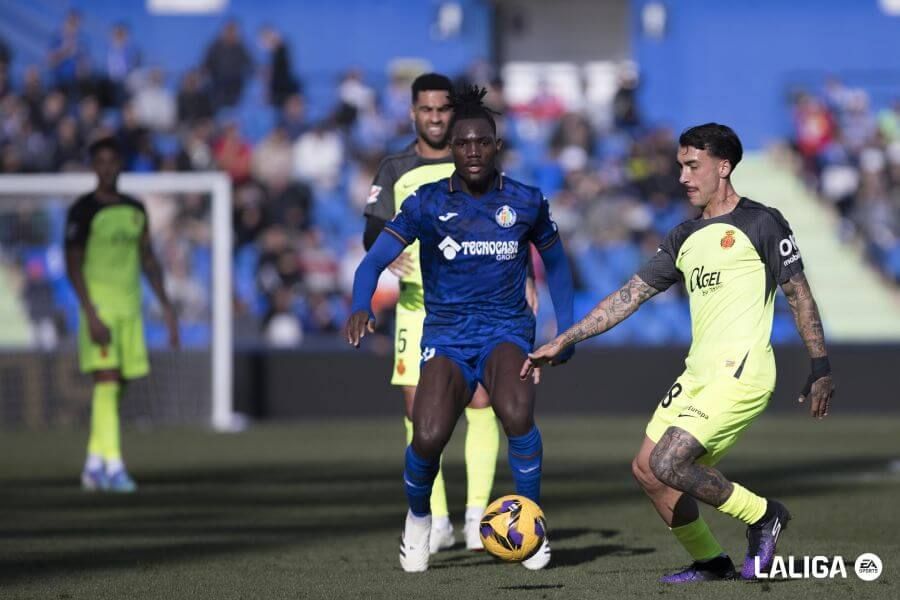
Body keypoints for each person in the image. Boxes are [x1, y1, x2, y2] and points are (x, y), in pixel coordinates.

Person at [524, 123, 835, 582]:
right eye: (680, 167)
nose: (684, 177)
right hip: (699, 374)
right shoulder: (682, 236)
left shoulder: (761, 221)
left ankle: (763, 514)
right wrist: (563, 339)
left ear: (723, 167)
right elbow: (628, 296)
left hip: (742, 371)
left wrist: (820, 364)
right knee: (648, 471)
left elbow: (798, 293)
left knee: (669, 462)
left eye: (694, 166)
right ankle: (711, 562)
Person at [347, 86, 575, 572]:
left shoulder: (526, 201)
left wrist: (566, 329)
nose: (473, 150)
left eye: (482, 142)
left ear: (495, 146)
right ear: (452, 148)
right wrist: (359, 303)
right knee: (427, 436)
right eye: (464, 142)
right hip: (447, 337)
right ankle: (418, 520)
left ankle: (530, 525)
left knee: (515, 414)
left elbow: (557, 265)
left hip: (507, 331)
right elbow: (372, 263)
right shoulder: (427, 203)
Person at [363, 73, 511, 554]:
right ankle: (438, 518)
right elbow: (373, 233)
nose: (434, 117)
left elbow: (507, 224)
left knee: (482, 403)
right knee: (421, 415)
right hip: (416, 307)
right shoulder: (395, 167)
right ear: (412, 113)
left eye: (442, 110)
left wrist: (524, 281)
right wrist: (389, 256)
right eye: (425, 110)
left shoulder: (473, 157)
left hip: (478, 304)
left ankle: (477, 516)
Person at [65, 137, 180, 493]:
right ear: (93, 166)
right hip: (100, 310)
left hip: (131, 311)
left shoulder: (135, 208)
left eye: (113, 160)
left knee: (119, 385)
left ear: (120, 165)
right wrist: (90, 313)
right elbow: (73, 264)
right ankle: (114, 465)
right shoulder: (82, 211)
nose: (107, 167)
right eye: (100, 161)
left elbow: (148, 259)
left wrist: (167, 307)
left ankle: (93, 464)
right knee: (107, 380)